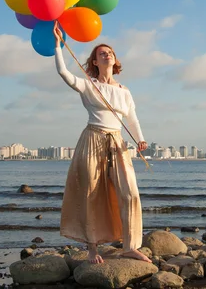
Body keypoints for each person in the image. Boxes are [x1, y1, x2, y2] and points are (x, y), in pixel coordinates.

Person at [52, 22, 151, 264]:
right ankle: (92, 249)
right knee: (90, 193)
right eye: (101, 53)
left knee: (130, 194)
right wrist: (58, 47)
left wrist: (140, 138)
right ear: (95, 62)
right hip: (92, 138)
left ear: (115, 60)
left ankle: (130, 246)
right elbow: (64, 74)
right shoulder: (88, 84)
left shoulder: (125, 91)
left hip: (117, 142)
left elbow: (132, 117)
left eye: (110, 52)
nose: (107, 54)